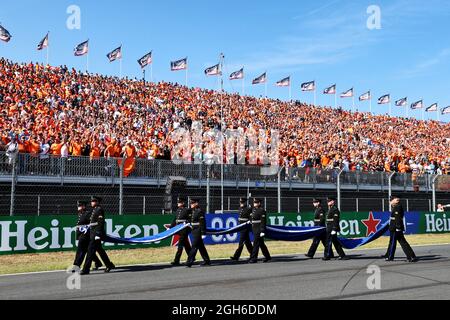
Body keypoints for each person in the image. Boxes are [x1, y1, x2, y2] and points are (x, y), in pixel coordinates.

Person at [80, 196, 115, 275]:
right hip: (93, 233)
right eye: (91, 201)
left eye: (94, 201)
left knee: (90, 251)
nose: (92, 202)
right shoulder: (94, 210)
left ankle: (86, 269)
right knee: (100, 250)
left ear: (98, 202)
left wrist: (98, 234)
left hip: (96, 234)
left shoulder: (99, 210)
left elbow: (100, 223)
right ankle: (109, 265)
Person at [385, 196, 418, 262]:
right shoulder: (396, 206)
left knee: (393, 242)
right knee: (403, 242)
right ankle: (411, 256)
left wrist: (398, 227)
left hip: (395, 227)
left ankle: (390, 256)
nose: (390, 202)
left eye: (392, 200)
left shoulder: (397, 206)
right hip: (395, 226)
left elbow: (397, 217)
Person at [73, 201, 103, 271]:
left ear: (84, 206)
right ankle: (98, 263)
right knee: (88, 251)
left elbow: (93, 223)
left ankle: (76, 266)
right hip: (82, 235)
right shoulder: (81, 214)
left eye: (80, 205)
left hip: (86, 236)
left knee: (80, 251)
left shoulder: (88, 214)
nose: (78, 207)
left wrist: (93, 232)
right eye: (78, 206)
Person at [186, 198, 211, 268]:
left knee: (194, 246)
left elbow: (203, 223)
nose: (191, 204)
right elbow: (190, 219)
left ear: (196, 203)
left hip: (198, 230)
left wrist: (203, 233)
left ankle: (189, 262)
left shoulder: (199, 211)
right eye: (191, 203)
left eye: (192, 203)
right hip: (194, 230)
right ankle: (207, 260)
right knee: (201, 246)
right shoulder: (192, 211)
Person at [169, 197, 192, 266]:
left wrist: (187, 223)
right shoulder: (178, 210)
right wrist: (170, 228)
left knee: (180, 245)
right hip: (179, 229)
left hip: (184, 229)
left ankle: (176, 260)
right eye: (178, 202)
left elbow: (191, 219)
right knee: (186, 245)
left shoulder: (187, 210)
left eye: (179, 202)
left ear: (183, 203)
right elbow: (175, 220)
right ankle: (191, 257)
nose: (178, 204)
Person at [249, 198, 271, 264]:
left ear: (259, 203)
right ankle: (267, 257)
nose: (254, 203)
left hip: (258, 229)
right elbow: (252, 218)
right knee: (261, 244)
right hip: (254, 228)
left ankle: (254, 258)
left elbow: (263, 222)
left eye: (256, 202)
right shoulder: (254, 210)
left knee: (256, 243)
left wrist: (262, 231)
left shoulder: (262, 210)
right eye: (254, 202)